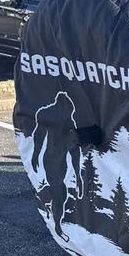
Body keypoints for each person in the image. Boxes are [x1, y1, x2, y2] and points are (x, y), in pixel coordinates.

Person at [29, 92, 82, 242]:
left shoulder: (68, 117)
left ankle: (49, 204)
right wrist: (34, 155)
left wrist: (79, 177)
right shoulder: (47, 113)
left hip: (62, 156)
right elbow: (38, 136)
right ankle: (58, 226)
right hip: (52, 158)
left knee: (60, 192)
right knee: (59, 191)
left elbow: (74, 149)